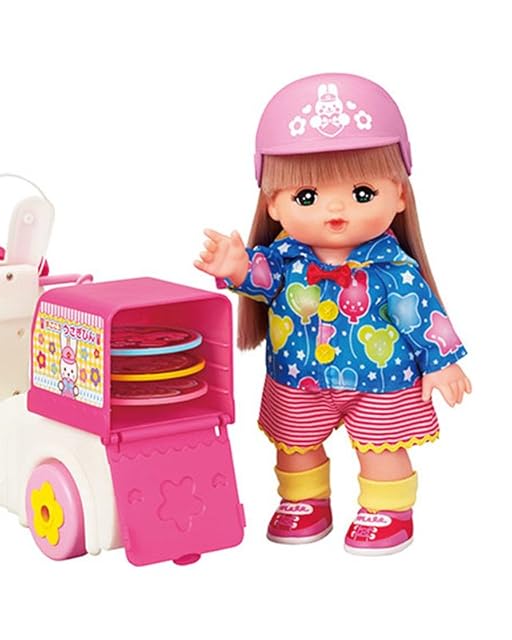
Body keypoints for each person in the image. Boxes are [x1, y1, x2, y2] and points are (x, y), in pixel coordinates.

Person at [194, 73, 471, 555]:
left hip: (380, 380)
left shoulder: (392, 269)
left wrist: (441, 361)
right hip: (298, 377)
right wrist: (236, 268)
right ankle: (304, 501)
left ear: (399, 195)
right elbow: (260, 279)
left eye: (363, 192)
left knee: (381, 449)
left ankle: (387, 508)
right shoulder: (284, 261)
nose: (336, 207)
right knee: (295, 446)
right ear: (273, 204)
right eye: (307, 197)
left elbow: (419, 314)